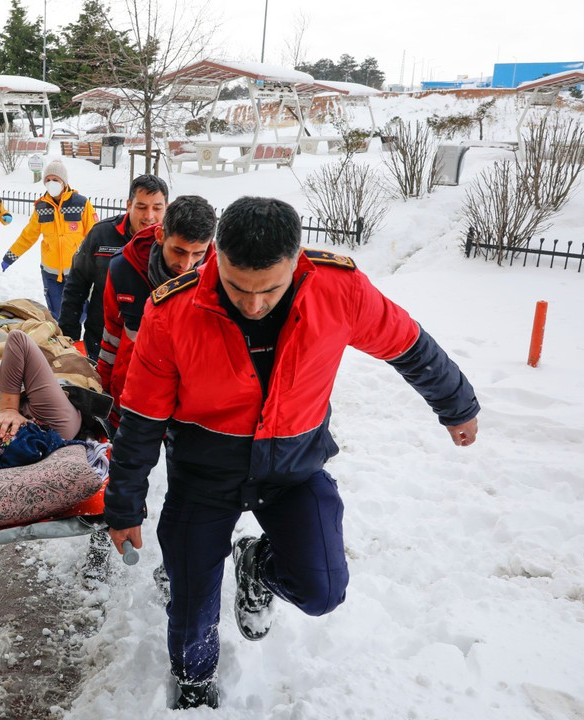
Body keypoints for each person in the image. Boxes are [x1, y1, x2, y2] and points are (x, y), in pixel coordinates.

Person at [104, 197, 481, 710]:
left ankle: (256, 567)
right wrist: (124, 504)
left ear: (296, 263)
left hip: (293, 469)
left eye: (270, 290)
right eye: (238, 288)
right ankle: (193, 685)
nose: (254, 304)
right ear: (216, 260)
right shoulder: (172, 310)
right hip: (203, 476)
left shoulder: (338, 289)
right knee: (191, 606)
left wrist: (456, 405)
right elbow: (143, 418)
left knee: (323, 588)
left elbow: (407, 344)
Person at [97, 195, 214, 425]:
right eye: (179, 251)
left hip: (189, 408)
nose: (187, 264)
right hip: (131, 397)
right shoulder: (123, 269)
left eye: (198, 254)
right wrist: (103, 390)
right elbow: (111, 334)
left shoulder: (216, 280)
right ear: (160, 235)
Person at [58, 174, 168, 363]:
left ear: (167, 207)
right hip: (101, 344)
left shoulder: (174, 245)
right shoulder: (102, 234)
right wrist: (70, 337)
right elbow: (76, 286)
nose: (149, 216)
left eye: (157, 208)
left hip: (153, 351)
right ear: (128, 205)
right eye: (141, 207)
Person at [0, 159, 97, 315]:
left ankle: (74, 338)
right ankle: (61, 338)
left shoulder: (81, 204)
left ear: (64, 182)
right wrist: (9, 257)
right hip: (51, 274)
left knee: (79, 312)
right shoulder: (41, 207)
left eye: (55, 180)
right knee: (57, 313)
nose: (51, 183)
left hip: (77, 272)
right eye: (48, 180)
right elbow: (28, 236)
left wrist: (99, 265)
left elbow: (94, 236)